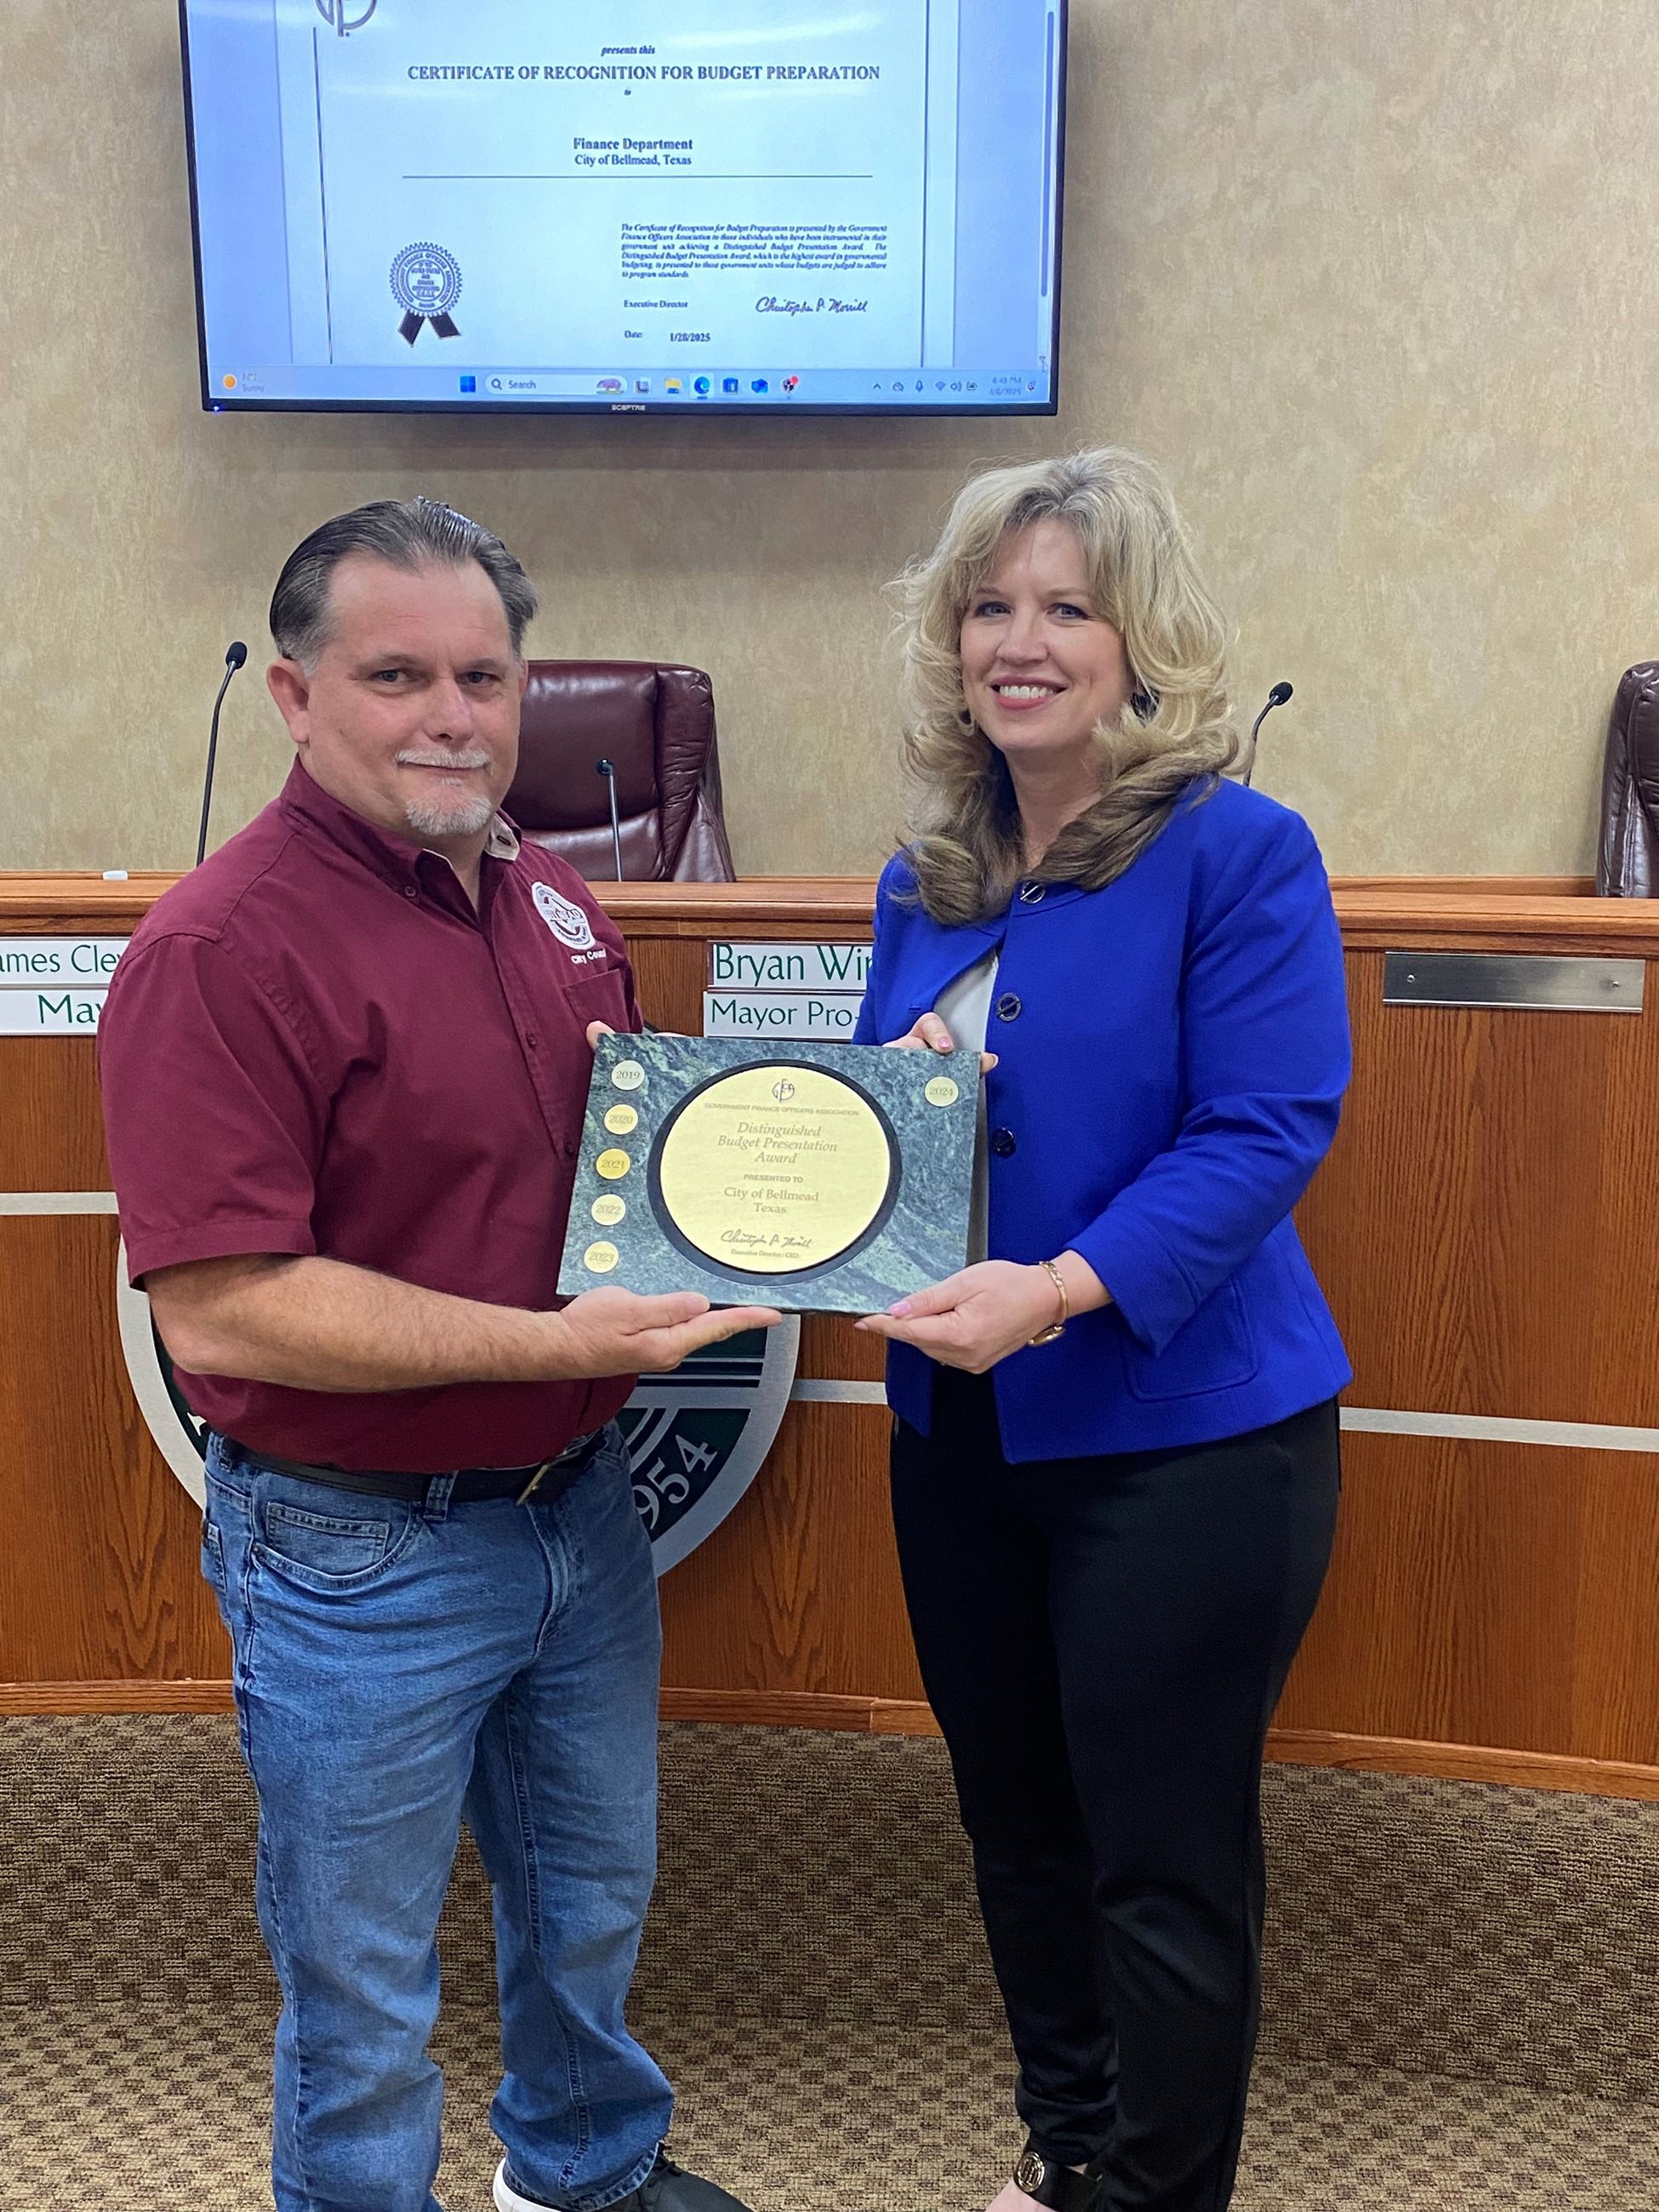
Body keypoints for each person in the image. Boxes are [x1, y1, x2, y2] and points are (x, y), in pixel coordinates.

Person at [97, 498, 778, 2212]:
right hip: (357, 1553)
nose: (453, 715)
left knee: (587, 1907)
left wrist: (870, 1153)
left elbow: (632, 1160)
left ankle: (581, 2171)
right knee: (363, 1990)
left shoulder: (551, 896)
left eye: (484, 675)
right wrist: (547, 1342)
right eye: (395, 675)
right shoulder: (219, 949)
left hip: (579, 1516)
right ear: (295, 695)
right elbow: (224, 1304)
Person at [854, 450, 1350, 2212]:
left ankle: (1155, 2191)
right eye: (989, 606)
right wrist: (881, 1109)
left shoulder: (1237, 849)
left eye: (1067, 607)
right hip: (960, 1432)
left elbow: (1264, 1129)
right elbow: (894, 1131)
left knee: (1160, 1859)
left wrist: (1061, 1289)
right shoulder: (929, 872)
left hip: (1182, 1440)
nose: (1021, 641)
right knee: (1019, 1832)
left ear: (1141, 641)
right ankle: (1071, 2153)